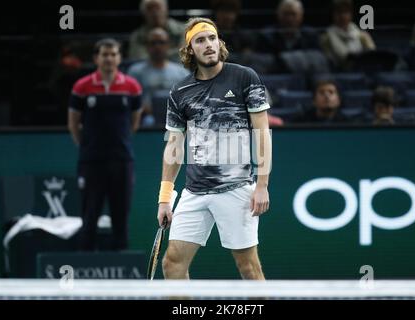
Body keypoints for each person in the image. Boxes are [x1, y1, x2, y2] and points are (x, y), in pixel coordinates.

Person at [157, 17, 272, 280]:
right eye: (200, 40)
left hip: (236, 189)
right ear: (190, 50)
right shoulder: (179, 91)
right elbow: (174, 146)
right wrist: (165, 198)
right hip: (194, 192)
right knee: (172, 264)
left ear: (219, 43)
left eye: (212, 38)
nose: (208, 44)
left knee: (248, 267)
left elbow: (262, 134)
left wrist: (262, 185)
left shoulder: (245, 77)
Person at [68, 38, 143, 251]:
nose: (109, 58)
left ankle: (121, 269)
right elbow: (74, 123)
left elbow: (134, 122)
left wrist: (120, 142)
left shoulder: (132, 86)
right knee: (89, 215)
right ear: (96, 58)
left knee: (121, 215)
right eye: (104, 54)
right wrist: (87, 148)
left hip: (122, 161)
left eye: (113, 54)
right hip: (91, 162)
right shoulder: (82, 87)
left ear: (119, 58)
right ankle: (85, 269)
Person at [127, 28, 190, 126]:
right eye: (153, 43)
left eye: (161, 42)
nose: (157, 46)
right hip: (147, 118)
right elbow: (130, 100)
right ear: (147, 46)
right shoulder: (135, 71)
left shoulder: (182, 72)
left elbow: (189, 100)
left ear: (168, 45)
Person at [320, 0, 376, 71]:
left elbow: (373, 56)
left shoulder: (362, 35)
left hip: (361, 71)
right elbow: (329, 62)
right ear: (332, 15)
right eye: (339, 12)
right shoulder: (326, 37)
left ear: (351, 14)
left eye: (346, 12)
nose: (342, 16)